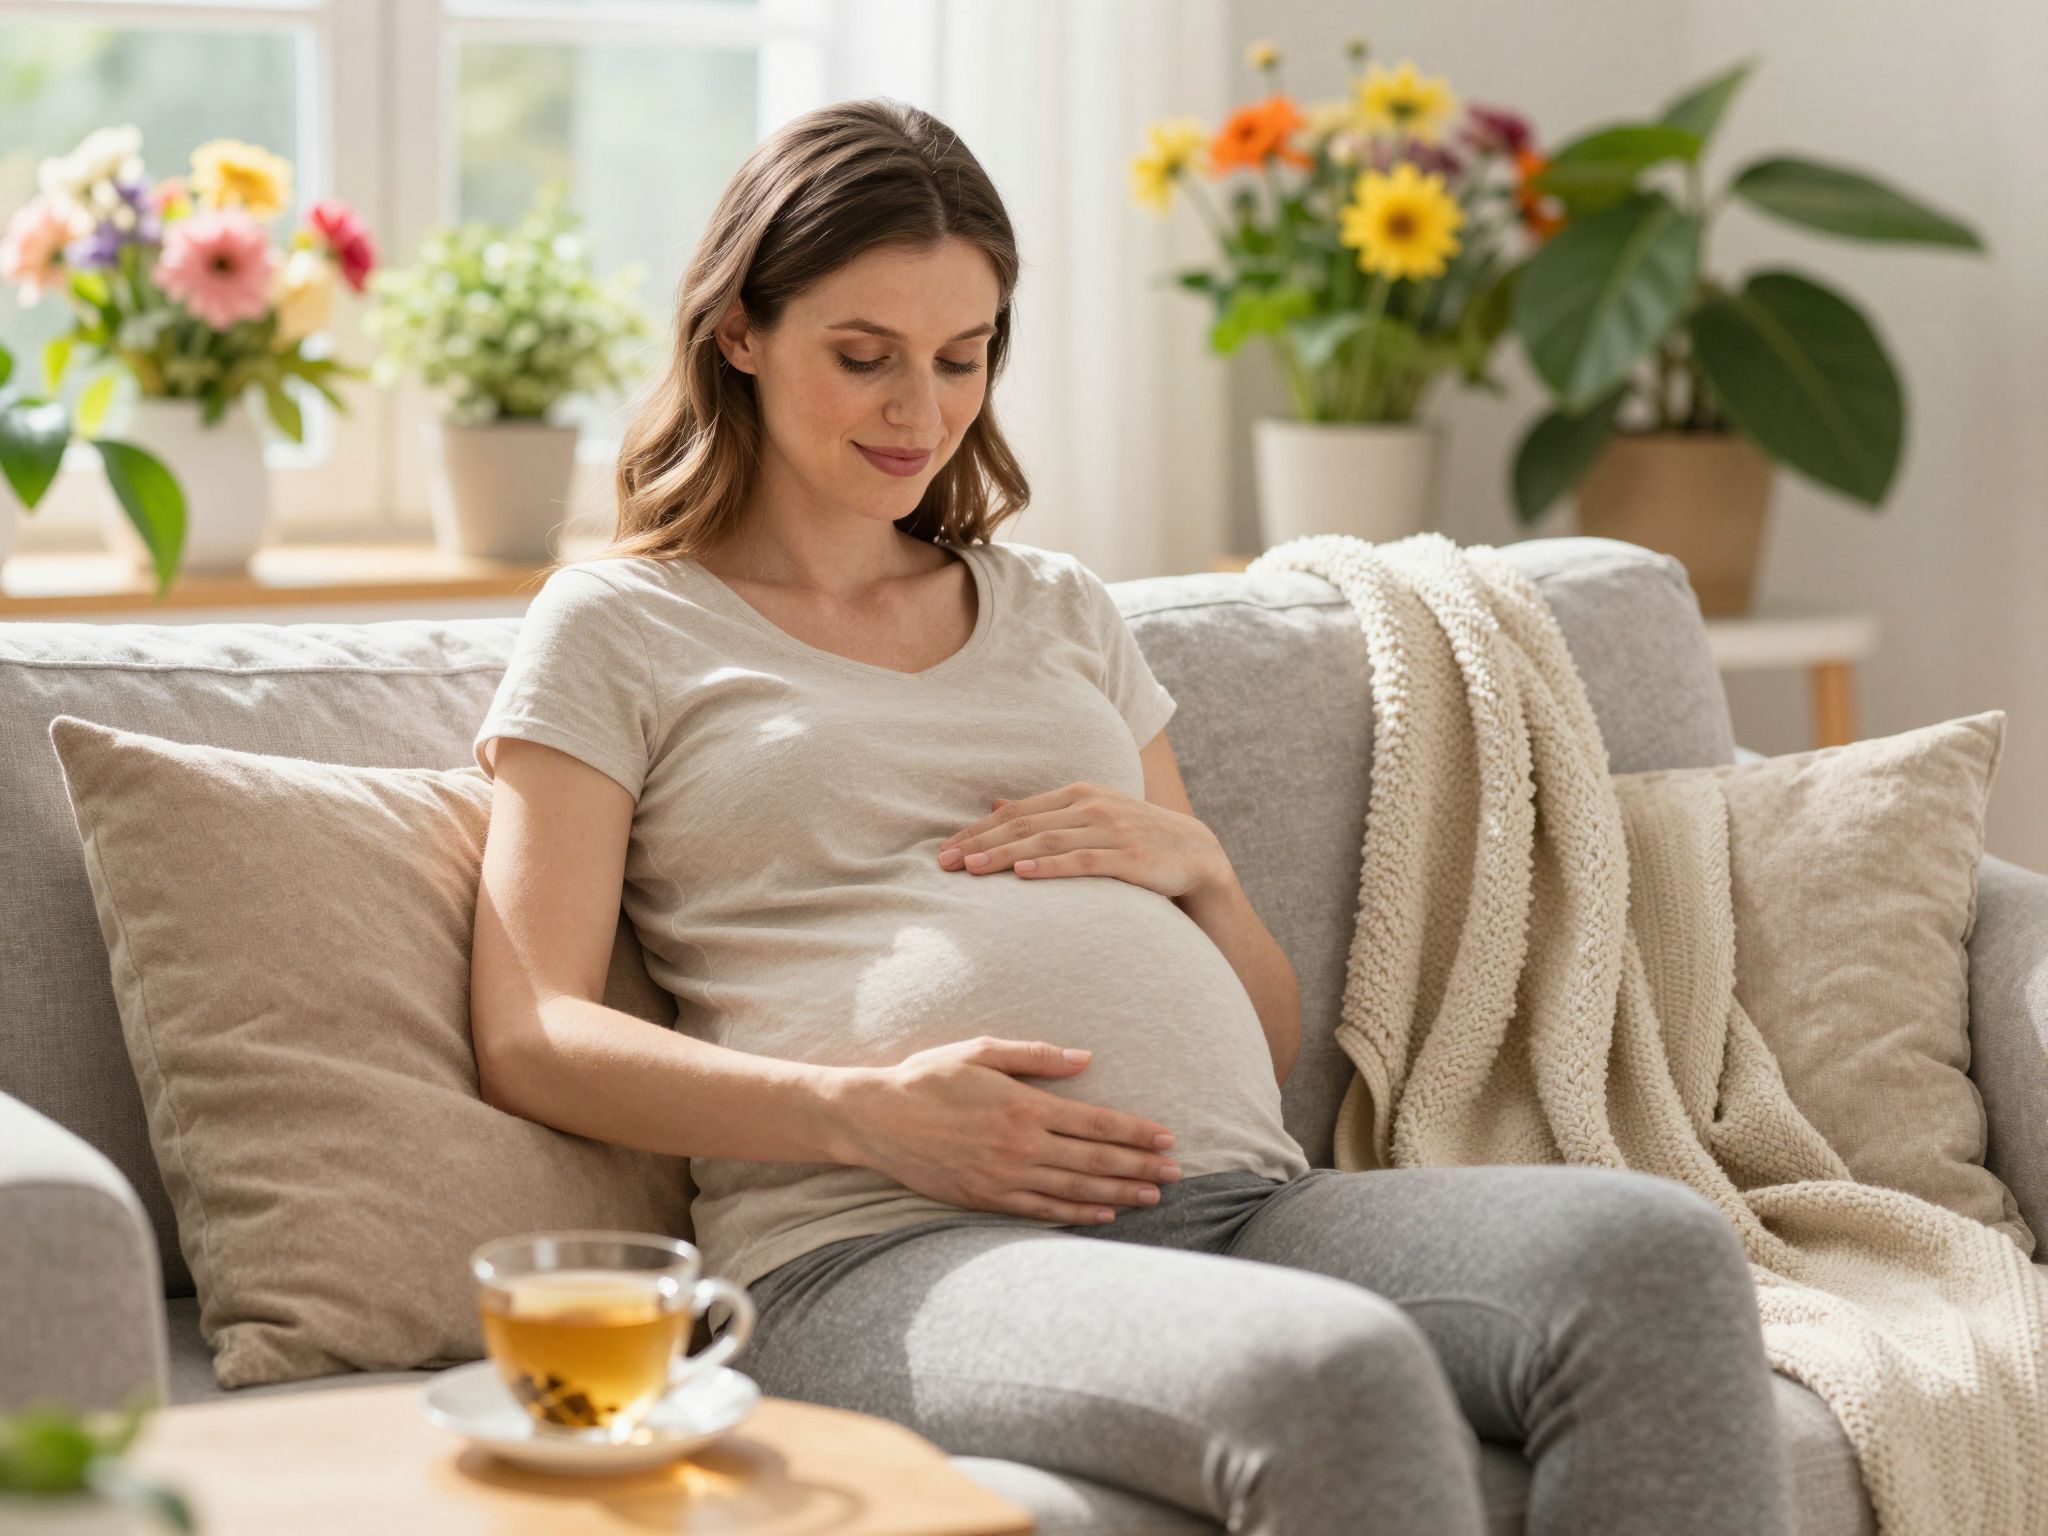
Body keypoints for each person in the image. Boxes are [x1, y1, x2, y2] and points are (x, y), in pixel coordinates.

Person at [467, 97, 1795, 1536]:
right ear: (740, 330)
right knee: (1328, 1374)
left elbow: (1268, 1033)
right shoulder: (622, 625)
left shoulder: (1060, 611)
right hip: (881, 1250)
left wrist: (1208, 879)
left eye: (961, 358)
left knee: (1655, 1257)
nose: (921, 411)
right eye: (864, 358)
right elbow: (532, 1028)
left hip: (1242, 1202)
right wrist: (863, 1116)